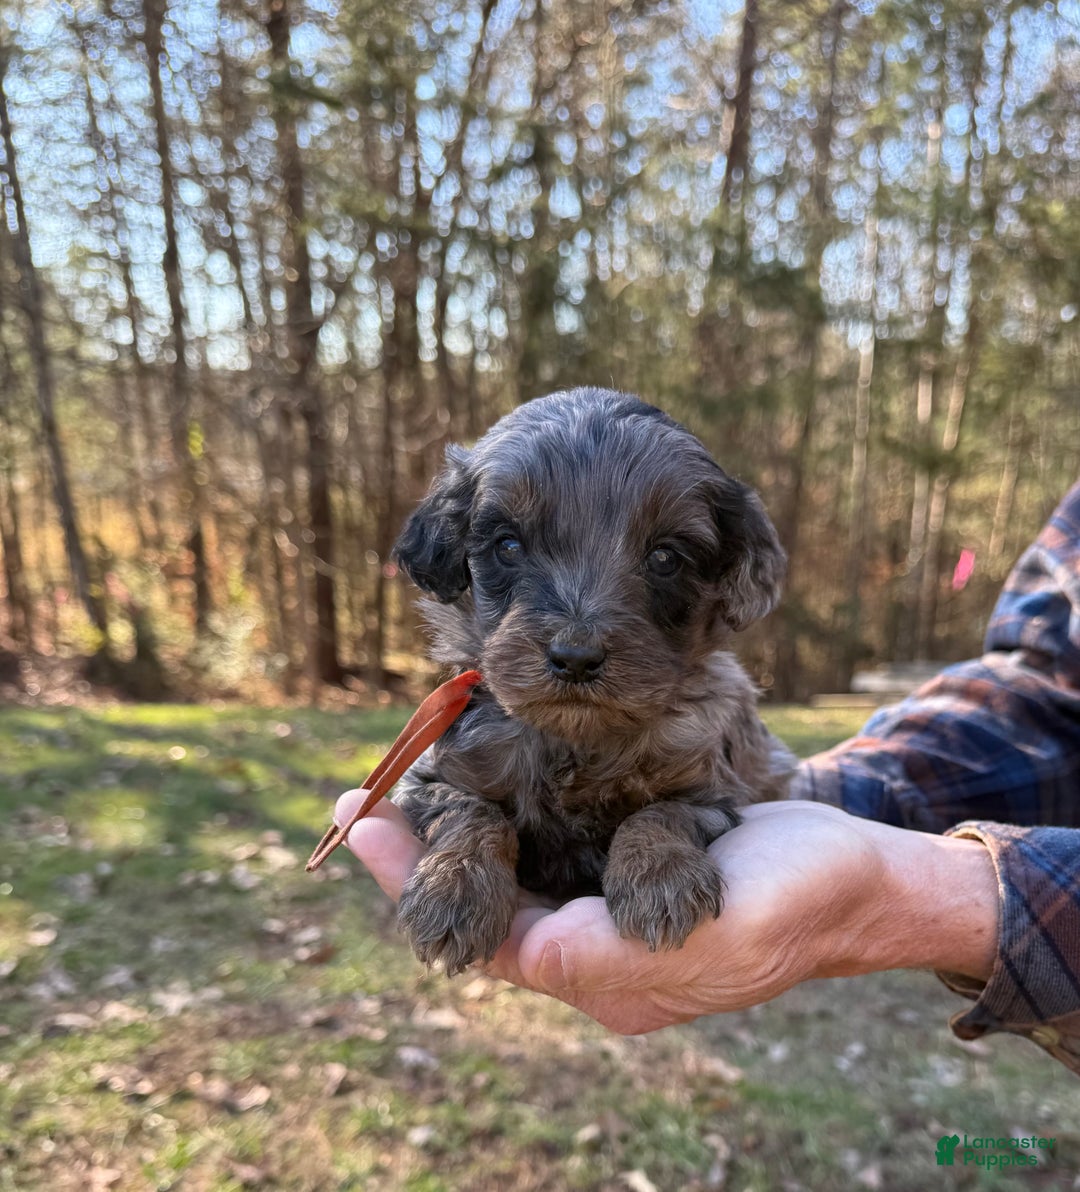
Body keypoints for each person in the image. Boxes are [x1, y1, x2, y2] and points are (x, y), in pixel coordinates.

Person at [337, 482, 1080, 1074]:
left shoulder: (701, 718)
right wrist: (471, 835)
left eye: (664, 560)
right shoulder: (471, 720)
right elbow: (1048, 693)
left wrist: (663, 828)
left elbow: (713, 796)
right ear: (457, 556)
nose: (577, 636)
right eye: (507, 545)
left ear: (728, 576)